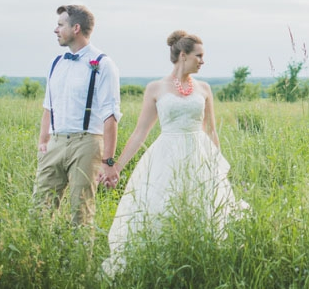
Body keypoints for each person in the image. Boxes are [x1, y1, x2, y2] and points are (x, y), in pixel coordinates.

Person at [101, 30, 248, 275]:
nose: (203, 61)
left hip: (199, 153)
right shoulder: (155, 88)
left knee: (203, 207)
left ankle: (201, 262)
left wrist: (217, 165)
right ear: (183, 55)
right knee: (162, 205)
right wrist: (116, 167)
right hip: (166, 154)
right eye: (199, 56)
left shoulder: (204, 88)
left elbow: (211, 131)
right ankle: (163, 262)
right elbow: (140, 133)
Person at [32, 4, 121, 226]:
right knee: (39, 208)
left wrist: (108, 161)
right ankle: (37, 259)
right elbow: (48, 106)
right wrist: (43, 141)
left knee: (81, 210)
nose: (55, 30)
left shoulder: (103, 64)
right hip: (56, 142)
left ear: (76, 28)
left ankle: (80, 260)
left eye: (60, 25)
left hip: (87, 142)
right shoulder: (56, 63)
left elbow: (110, 115)